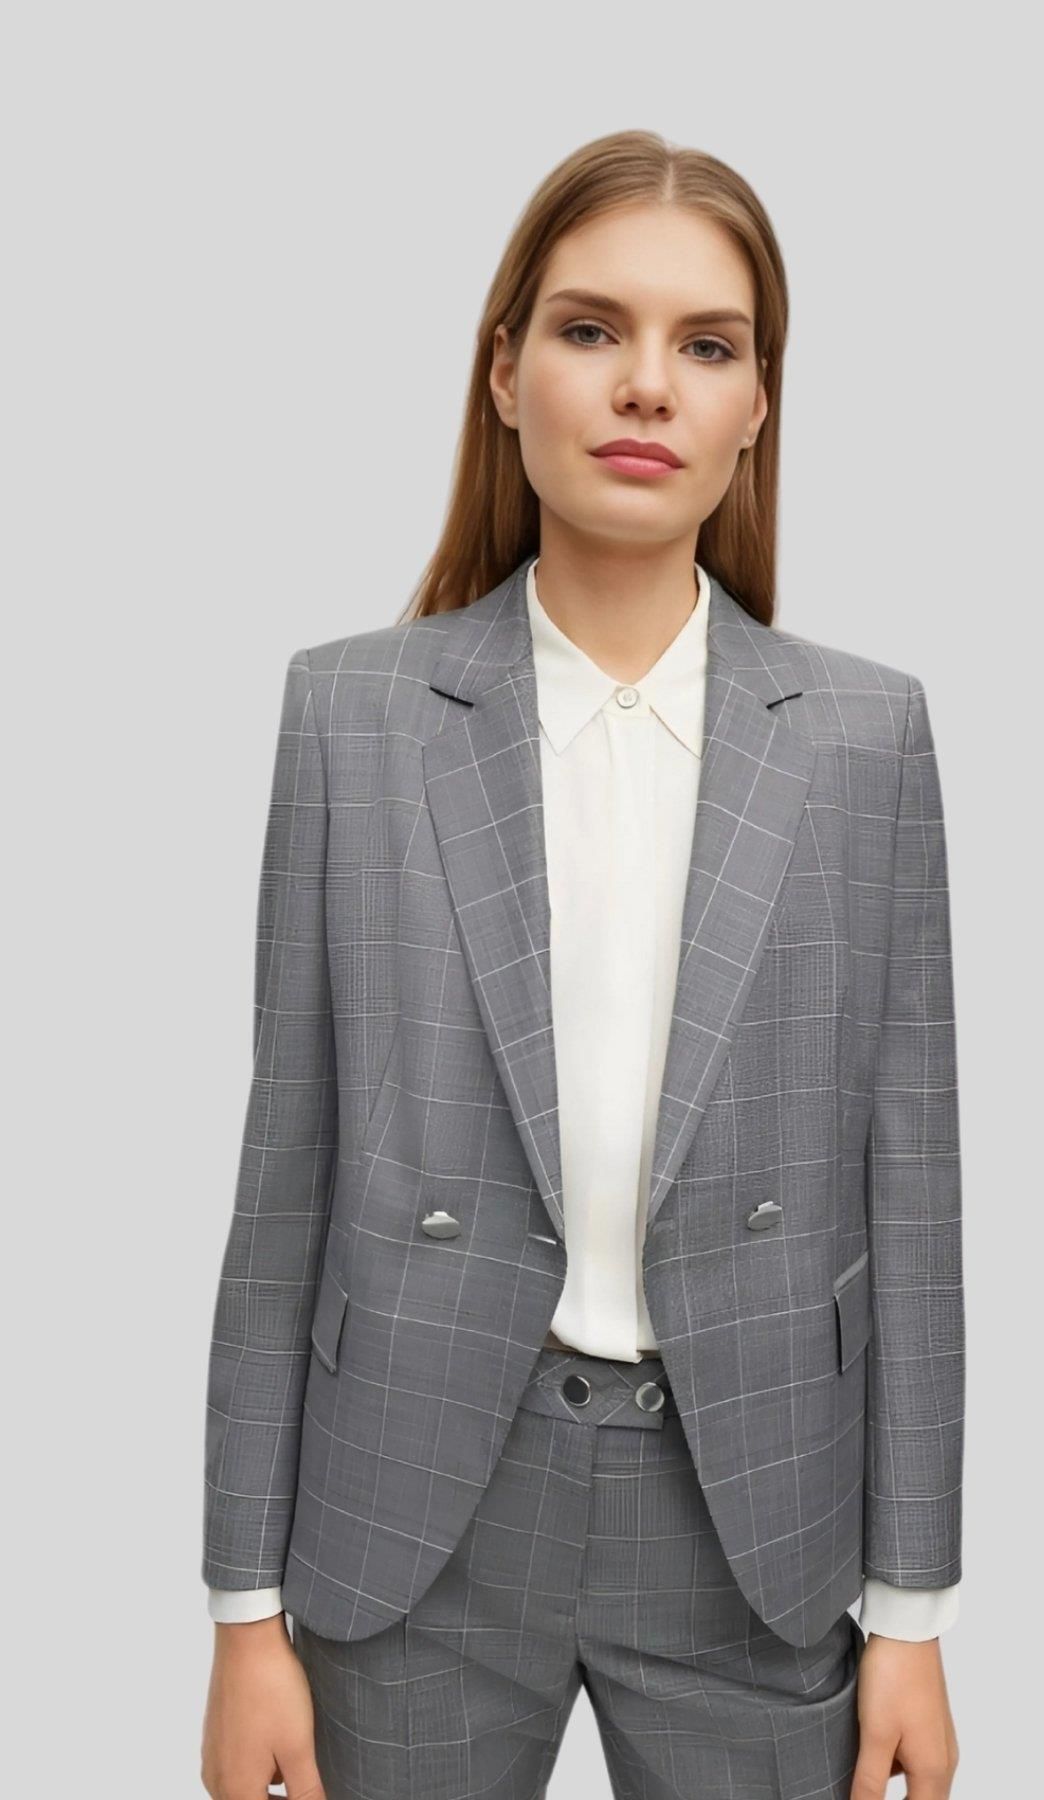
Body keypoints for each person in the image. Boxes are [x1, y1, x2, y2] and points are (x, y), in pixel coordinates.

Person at [201, 128, 965, 1800]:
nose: (647, 387)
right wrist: (244, 1611)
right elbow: (285, 1172)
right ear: (504, 371)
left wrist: (911, 1610)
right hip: (410, 1517)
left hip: (752, 1524)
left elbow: (911, 1193)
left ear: (758, 407)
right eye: (591, 328)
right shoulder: (352, 716)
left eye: (710, 346)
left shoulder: (862, 737)